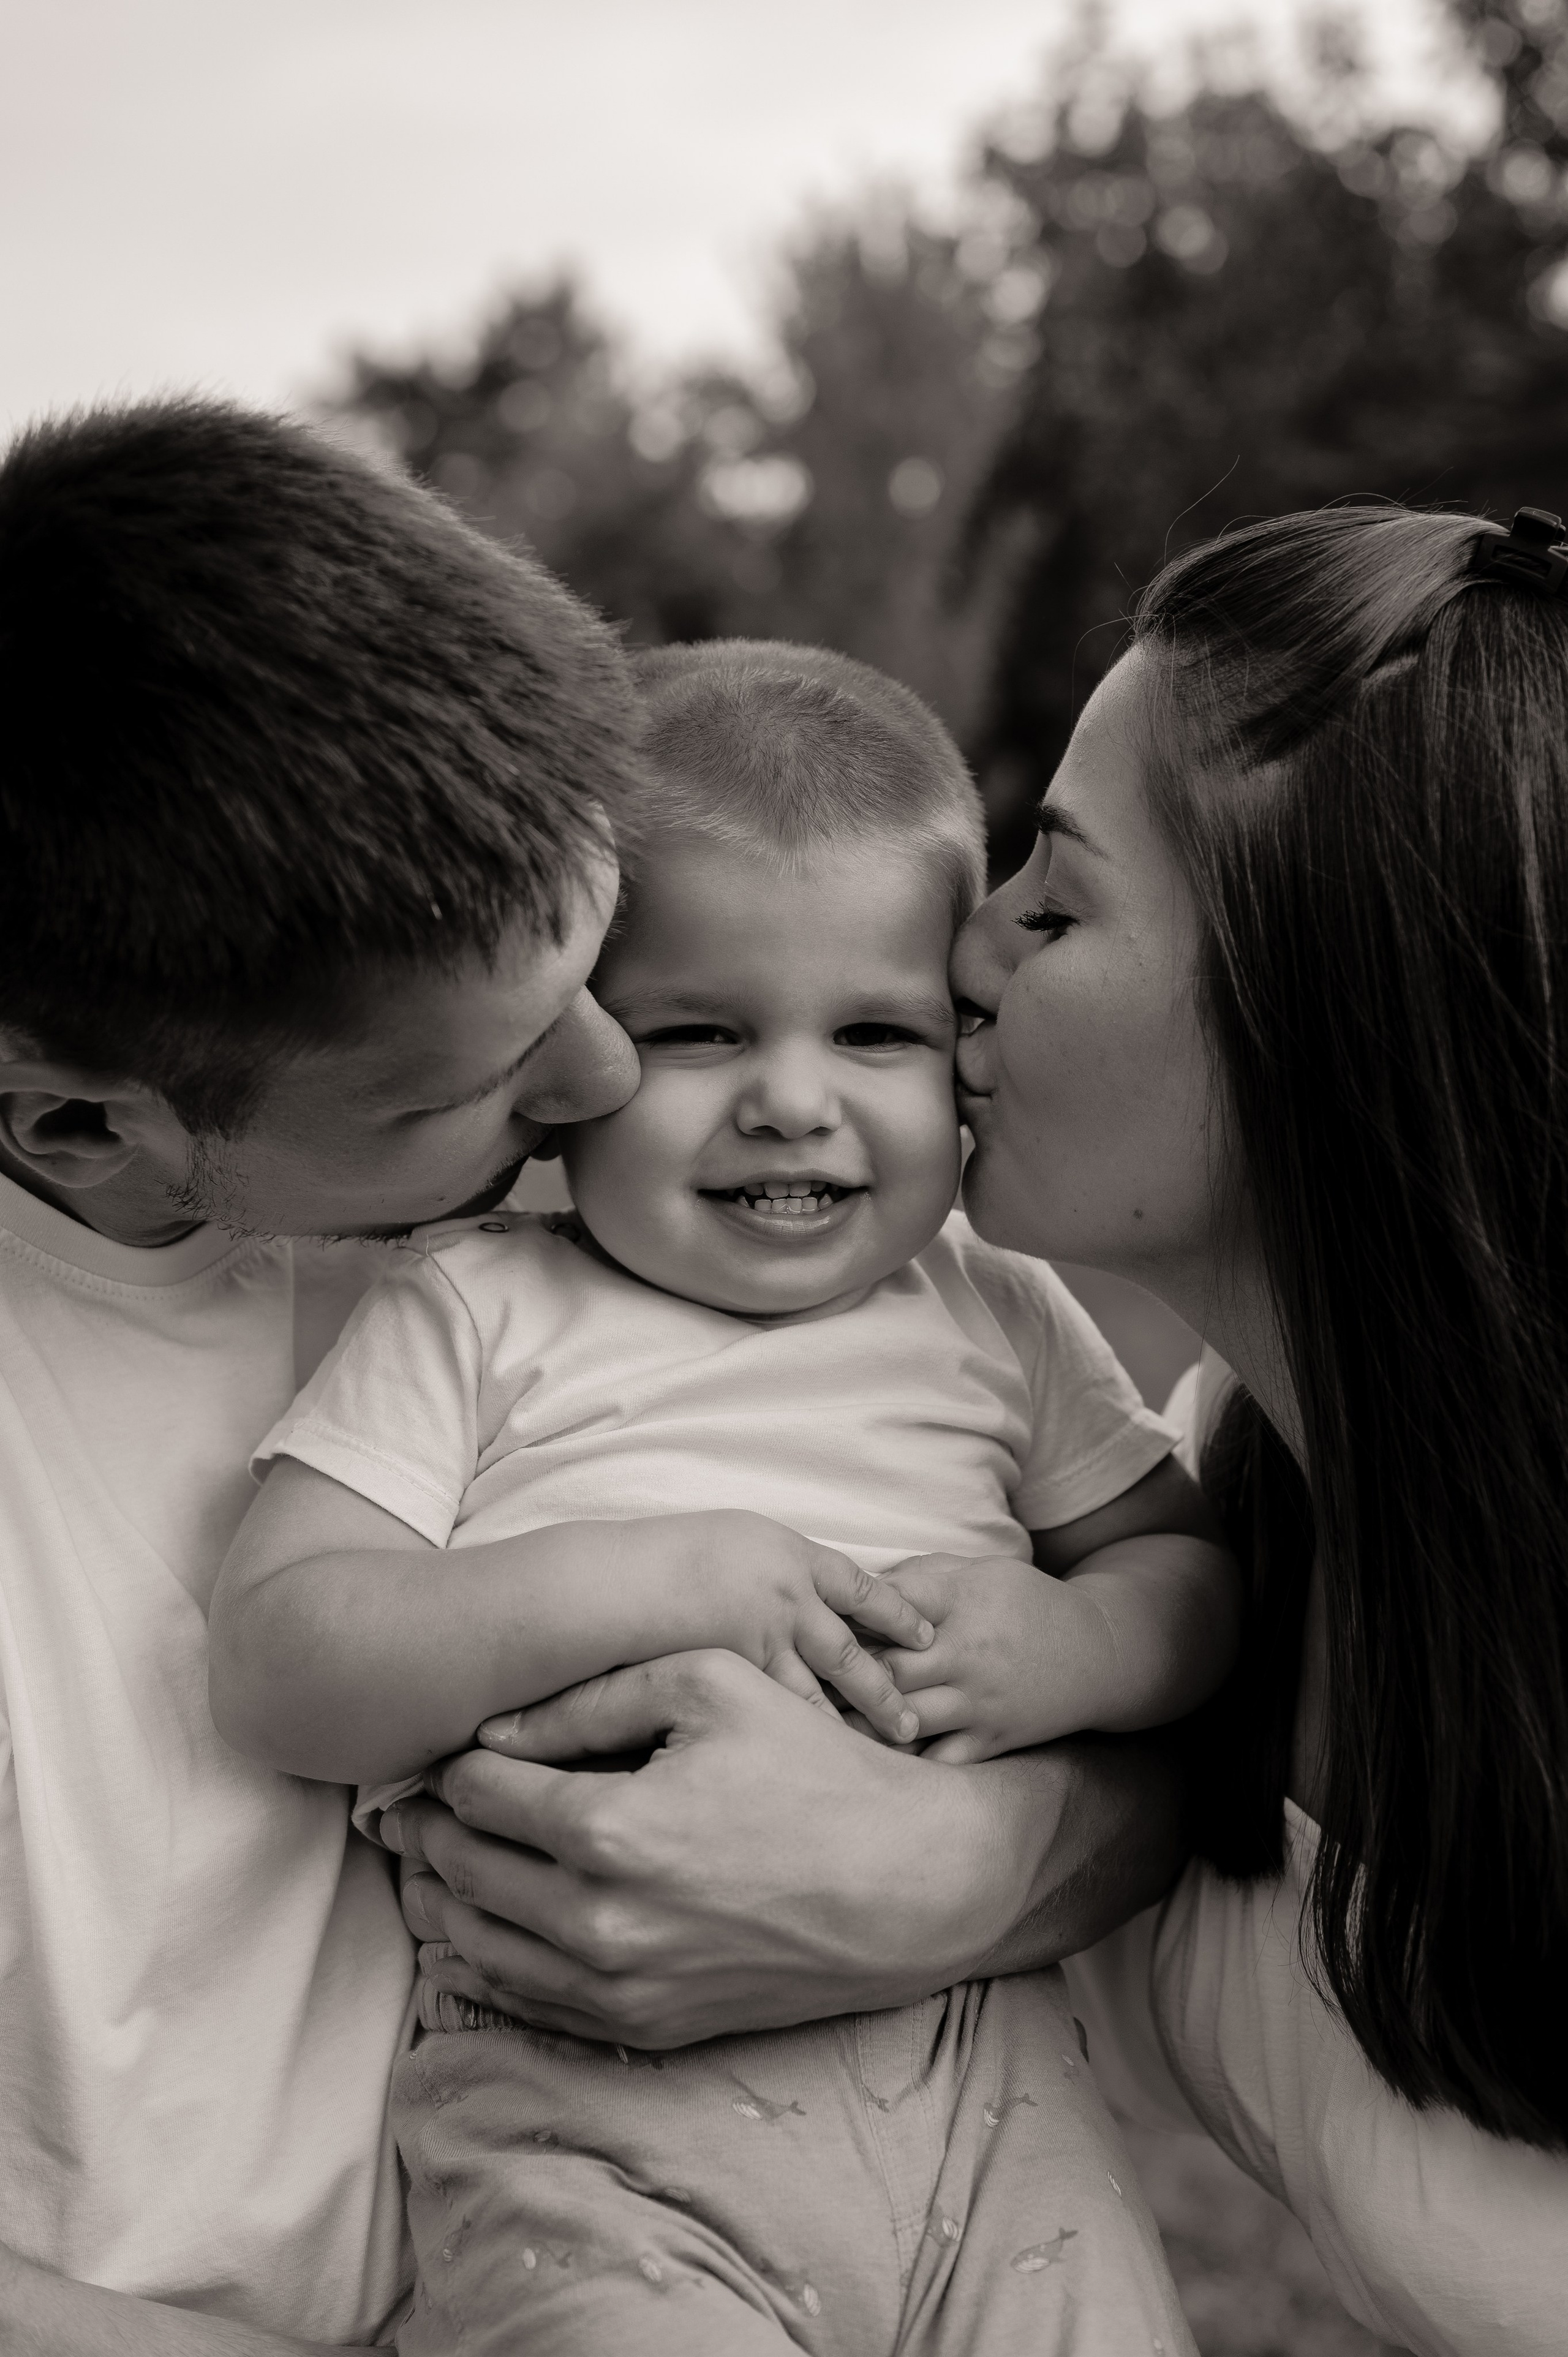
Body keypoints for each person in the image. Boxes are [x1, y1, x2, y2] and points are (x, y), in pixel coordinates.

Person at [0, 402, 1188, 2356]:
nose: (607, 1090)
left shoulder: (572, 1242)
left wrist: (952, 1866)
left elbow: (1180, 1717)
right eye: (474, 1080)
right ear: (79, 1133)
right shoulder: (446, 1311)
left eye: (588, 975)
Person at [393, 507, 1567, 2356]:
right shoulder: (1227, 1487)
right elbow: (1181, 1775)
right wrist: (955, 1866)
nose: (967, 957)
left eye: (1061, 895)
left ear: (1317, 1014)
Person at [213, 641, 1237, 2355]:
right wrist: (663, 1577)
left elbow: (1200, 1588)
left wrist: (1071, 1646)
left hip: (990, 2090)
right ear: (571, 1054)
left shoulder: (995, 1313)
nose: (789, 1098)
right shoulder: (478, 1309)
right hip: (582, 2106)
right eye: (699, 1030)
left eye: (875, 1032)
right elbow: (281, 1655)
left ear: (963, 1053)